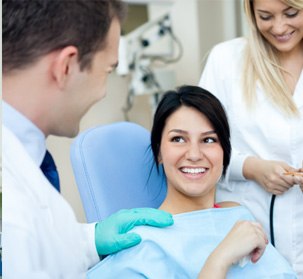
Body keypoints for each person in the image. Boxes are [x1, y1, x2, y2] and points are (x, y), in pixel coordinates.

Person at [2, 1, 174, 278]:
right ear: (67, 66)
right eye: (107, 70)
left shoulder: (21, 159)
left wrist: (90, 239)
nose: (103, 93)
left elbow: (39, 244)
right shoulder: (11, 207)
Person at [86, 86, 296, 279]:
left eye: (208, 140)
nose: (194, 154)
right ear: (159, 151)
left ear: (224, 152)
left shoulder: (237, 218)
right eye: (178, 139)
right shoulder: (142, 246)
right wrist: (220, 260)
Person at [198, 0, 303, 276]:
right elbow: (199, 148)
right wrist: (251, 168)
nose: (279, 27)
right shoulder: (226, 61)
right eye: (265, 16)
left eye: (292, 13)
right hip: (247, 246)